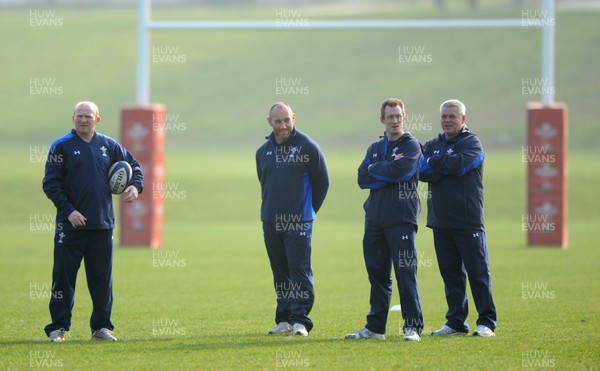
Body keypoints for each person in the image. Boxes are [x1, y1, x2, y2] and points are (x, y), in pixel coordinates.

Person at [42, 101, 143, 342]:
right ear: (73, 118)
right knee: (63, 279)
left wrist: (134, 187)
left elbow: (135, 167)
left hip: (102, 224)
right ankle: (58, 328)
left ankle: (101, 328)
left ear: (97, 119)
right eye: (79, 116)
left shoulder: (109, 145)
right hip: (70, 226)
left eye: (88, 116)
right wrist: (69, 212)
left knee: (101, 280)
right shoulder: (61, 147)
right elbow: (50, 184)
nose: (83, 120)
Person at [346, 98, 424, 341]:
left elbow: (403, 171)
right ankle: (376, 328)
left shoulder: (411, 146)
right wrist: (384, 169)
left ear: (404, 117)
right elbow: (361, 178)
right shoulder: (375, 148)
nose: (394, 120)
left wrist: (376, 169)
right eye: (390, 117)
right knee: (377, 275)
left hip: (401, 218)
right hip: (375, 219)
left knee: (405, 273)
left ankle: (412, 327)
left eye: (398, 116)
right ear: (382, 120)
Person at [419, 99, 497, 337]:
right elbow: (421, 171)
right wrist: (439, 165)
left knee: (478, 272)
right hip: (440, 220)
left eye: (452, 116)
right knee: (450, 274)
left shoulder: (472, 142)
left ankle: (487, 322)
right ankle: (455, 322)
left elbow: (462, 165)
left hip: (467, 219)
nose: (447, 120)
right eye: (444, 116)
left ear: (463, 119)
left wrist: (436, 165)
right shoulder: (432, 144)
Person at [256, 102, 329, 337]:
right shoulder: (262, 151)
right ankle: (284, 319)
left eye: (287, 119)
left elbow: (322, 183)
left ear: (294, 118)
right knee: (280, 273)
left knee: (299, 271)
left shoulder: (308, 147)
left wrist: (306, 211)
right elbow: (264, 183)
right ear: (270, 122)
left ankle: (300, 321)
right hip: (270, 221)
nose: (283, 125)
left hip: (298, 222)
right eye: (278, 121)